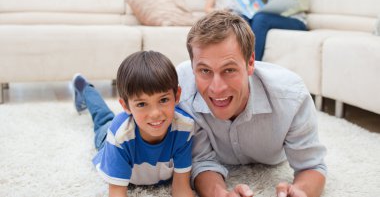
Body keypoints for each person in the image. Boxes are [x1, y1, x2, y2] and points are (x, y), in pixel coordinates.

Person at [176, 10, 327, 197]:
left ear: (250, 63)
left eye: (229, 70)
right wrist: (219, 194)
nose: (216, 88)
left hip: (273, 159)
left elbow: (312, 165)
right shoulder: (180, 93)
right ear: (192, 68)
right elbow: (201, 161)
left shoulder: (291, 96)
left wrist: (301, 191)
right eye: (205, 71)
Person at [72, 51, 195, 197]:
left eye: (163, 100)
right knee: (103, 117)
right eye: (142, 104)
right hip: (111, 137)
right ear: (125, 106)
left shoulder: (184, 127)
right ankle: (84, 88)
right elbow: (117, 193)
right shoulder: (119, 135)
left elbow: (181, 189)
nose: (155, 113)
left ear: (177, 95)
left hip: (133, 125)